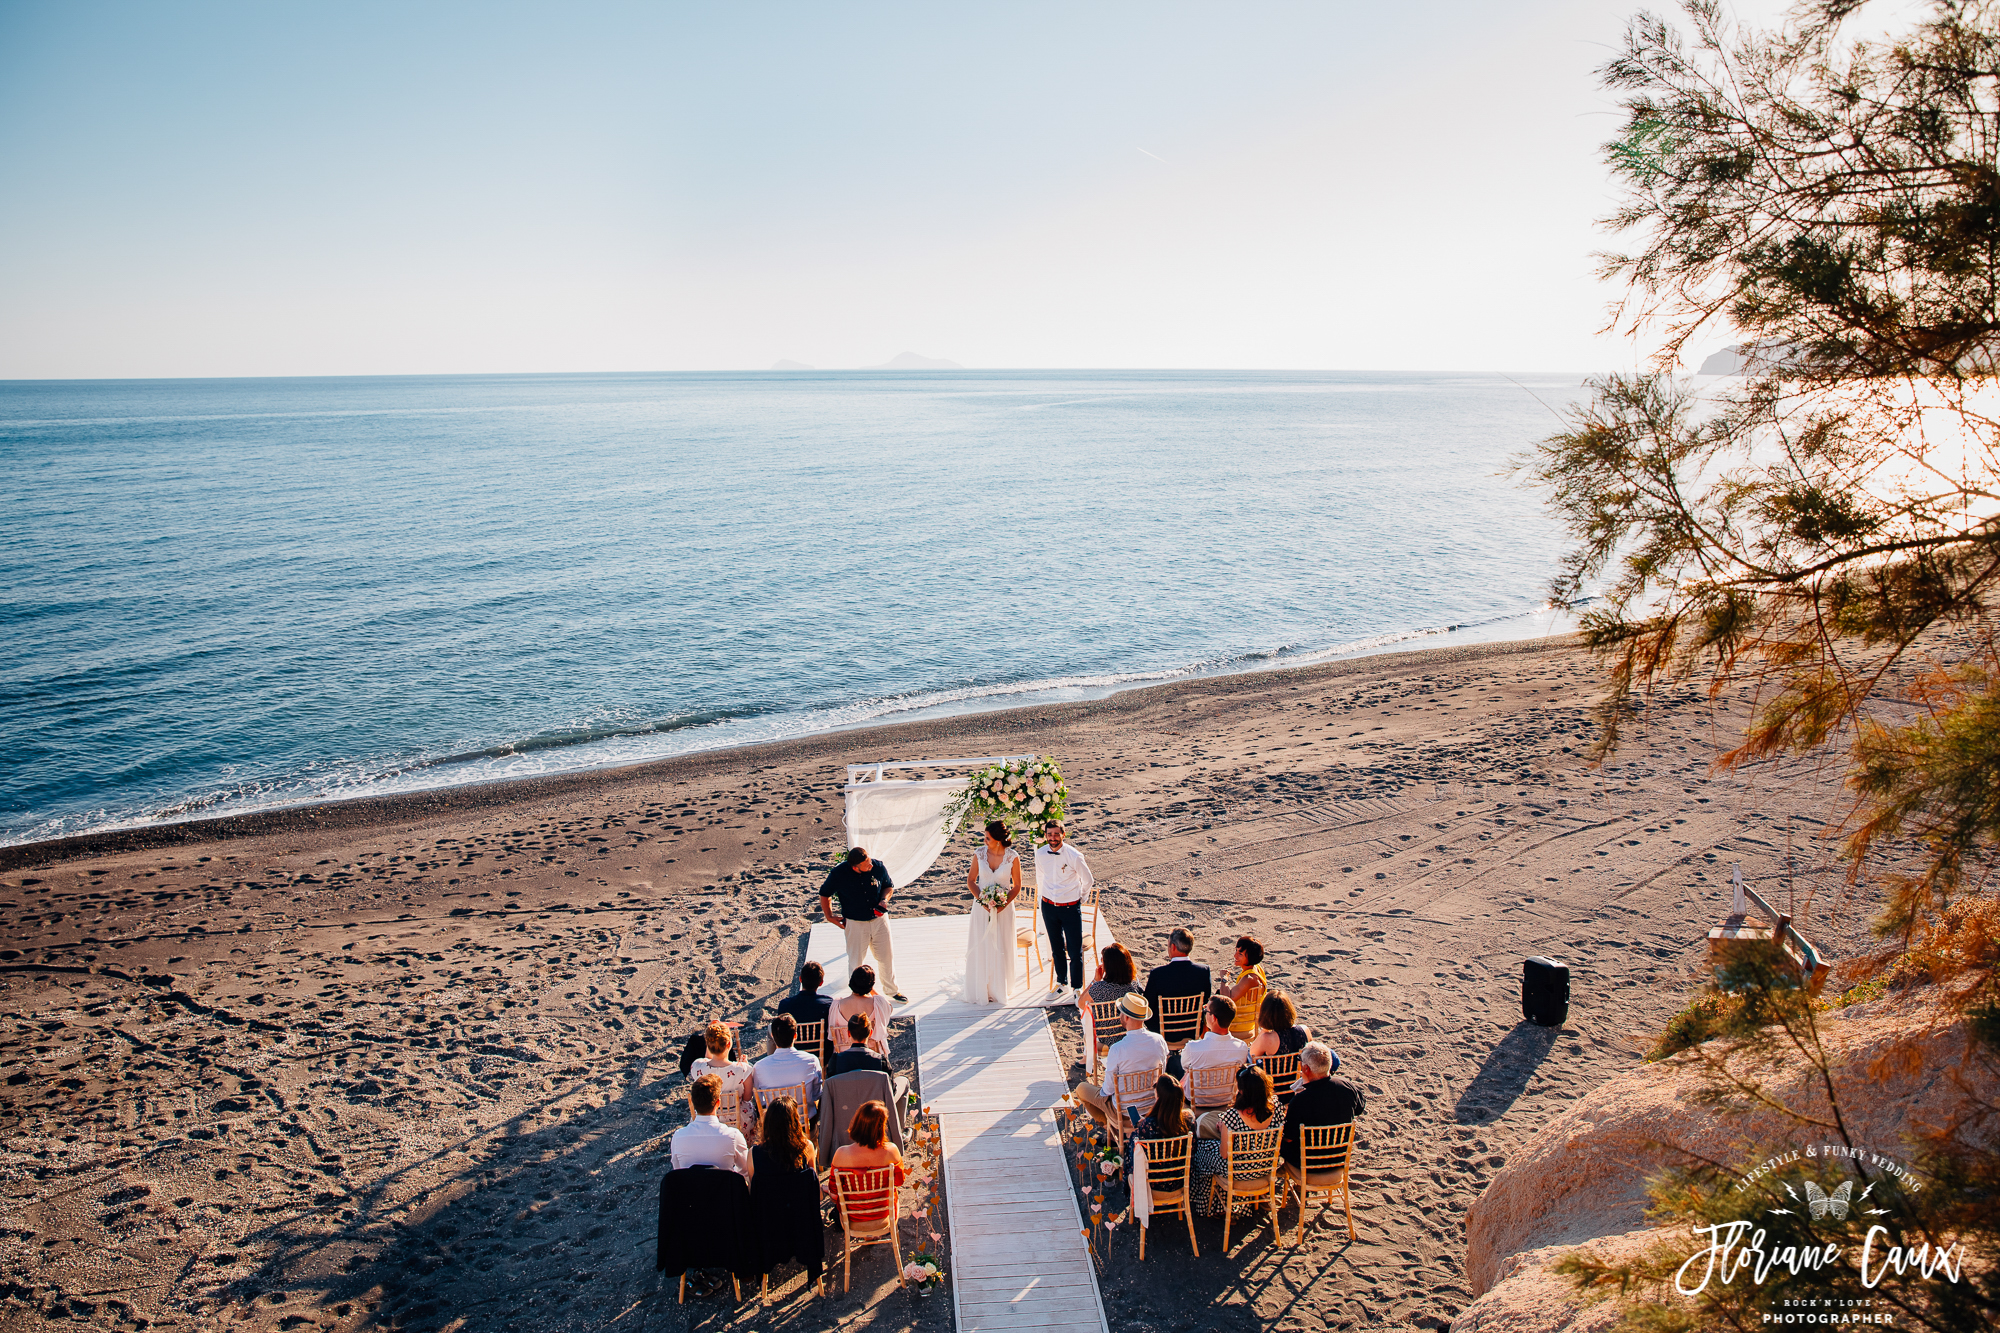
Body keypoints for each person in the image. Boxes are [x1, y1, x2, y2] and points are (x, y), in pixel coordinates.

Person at [749, 1096, 823, 1296]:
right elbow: (813, 1188)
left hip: (770, 1224)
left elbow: (754, 1191)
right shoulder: (806, 1147)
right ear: (794, 1122)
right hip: (800, 1224)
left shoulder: (754, 1153)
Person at [820, 847, 906, 1004]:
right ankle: (857, 995)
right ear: (855, 867)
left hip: (879, 920)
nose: (871, 865)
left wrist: (884, 900)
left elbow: (888, 886)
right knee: (855, 960)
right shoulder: (839, 874)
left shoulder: (878, 866)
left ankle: (892, 990)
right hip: (855, 923)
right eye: (867, 864)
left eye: (870, 861)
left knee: (886, 956)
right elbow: (825, 893)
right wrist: (829, 916)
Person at [1193, 1066, 1278, 1215]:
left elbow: (1224, 1154)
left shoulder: (1233, 1116)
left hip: (1238, 1172)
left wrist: (1223, 1130)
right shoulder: (1276, 1108)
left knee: (1201, 1148)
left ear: (1243, 1091)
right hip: (1265, 1167)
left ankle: (1214, 1205)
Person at [1075, 992, 1169, 1126]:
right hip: (1151, 1107)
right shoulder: (1159, 1041)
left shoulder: (1118, 1048)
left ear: (1125, 1017)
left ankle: (1109, 1125)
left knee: (1081, 1089)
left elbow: (1107, 1090)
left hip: (1124, 1111)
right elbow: (1162, 1074)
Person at [1032, 820, 1093, 1004]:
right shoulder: (1041, 853)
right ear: (1045, 836)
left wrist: (1080, 899)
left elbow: (1088, 880)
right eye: (1049, 834)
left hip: (1070, 907)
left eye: (1056, 834)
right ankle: (1061, 983)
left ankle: (1076, 988)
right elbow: (1042, 876)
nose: (1052, 838)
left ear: (1063, 835)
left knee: (1075, 950)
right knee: (1056, 948)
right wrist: (1043, 899)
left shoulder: (1074, 855)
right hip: (1049, 906)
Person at [1279, 1041, 1364, 1169]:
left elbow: (1288, 1138)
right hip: (1339, 1159)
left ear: (1306, 1068)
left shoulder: (1300, 1100)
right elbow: (1359, 1108)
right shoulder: (1347, 1087)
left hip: (1307, 1164)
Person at [963, 820, 1021, 1005]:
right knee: (982, 943)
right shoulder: (979, 854)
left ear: (997, 840)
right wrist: (983, 900)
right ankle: (982, 986)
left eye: (987, 838)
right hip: (981, 908)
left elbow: (1017, 886)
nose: (984, 840)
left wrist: (1003, 904)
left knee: (1001, 944)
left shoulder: (1013, 857)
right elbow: (971, 881)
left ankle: (998, 987)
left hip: (1004, 910)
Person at [827, 1101, 907, 1228]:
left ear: (858, 1123)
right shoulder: (891, 1151)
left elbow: (834, 1190)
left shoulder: (841, 1154)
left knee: (833, 1194)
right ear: (882, 1127)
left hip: (852, 1218)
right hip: (883, 1216)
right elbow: (899, 1181)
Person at [1143, 928, 1213, 1070]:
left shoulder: (1158, 974)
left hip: (1164, 1032)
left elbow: (1147, 1007)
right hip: (1192, 1031)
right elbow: (1206, 999)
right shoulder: (1203, 972)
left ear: (1173, 947)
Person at [1181, 997, 1249, 1123]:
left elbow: (1184, 1066)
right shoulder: (1241, 1048)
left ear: (1213, 1018)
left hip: (1197, 1103)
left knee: (1177, 1067)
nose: (1205, 1013)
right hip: (1226, 1102)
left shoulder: (1193, 1048)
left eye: (1206, 1011)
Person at [671, 1073, 752, 1179]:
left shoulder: (678, 1137)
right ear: (718, 1103)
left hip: (691, 1193)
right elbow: (745, 1172)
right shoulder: (733, 1136)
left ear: (692, 1102)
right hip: (723, 1192)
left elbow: (678, 1172)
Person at [687, 1021, 757, 1136]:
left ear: (708, 1045)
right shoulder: (742, 1069)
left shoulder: (697, 1066)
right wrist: (743, 1065)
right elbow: (747, 1097)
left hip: (707, 1122)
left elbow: (706, 1060)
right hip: (739, 1124)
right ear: (729, 1044)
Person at [751, 1013, 823, 1119]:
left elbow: (760, 1101)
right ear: (795, 1036)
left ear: (772, 1036)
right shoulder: (811, 1061)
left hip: (774, 1128)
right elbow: (817, 1094)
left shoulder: (760, 1067)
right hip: (805, 1124)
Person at [1083, 942, 1143, 1054]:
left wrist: (1095, 980)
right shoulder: (1134, 985)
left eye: (1102, 961)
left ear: (1108, 966)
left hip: (1107, 1040)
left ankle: (1087, 1059)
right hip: (1131, 1036)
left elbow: (1081, 1003)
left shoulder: (1099, 988)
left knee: (1086, 1015)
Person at [776, 962, 834, 1066]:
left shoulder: (785, 1005)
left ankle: (775, 1063)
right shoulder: (828, 1004)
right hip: (821, 1057)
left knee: (772, 1028)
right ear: (821, 983)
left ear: (800, 979)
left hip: (793, 1055)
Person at [830, 965, 894, 1057]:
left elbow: (832, 1035)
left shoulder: (837, 1004)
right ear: (871, 985)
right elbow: (889, 1008)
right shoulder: (877, 1003)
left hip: (844, 1055)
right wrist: (871, 990)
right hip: (871, 1054)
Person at [1246, 991, 1313, 1061]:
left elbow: (1251, 1055)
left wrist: (1264, 1030)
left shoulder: (1267, 1038)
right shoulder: (1305, 1030)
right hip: (1299, 1071)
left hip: (1270, 1072)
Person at [1223, 936, 1268, 1041]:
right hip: (1247, 1022)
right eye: (1236, 951)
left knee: (1206, 1018)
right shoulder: (1257, 969)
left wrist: (1224, 979)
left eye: (1240, 954)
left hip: (1238, 1025)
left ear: (1251, 957)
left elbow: (1227, 999)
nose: (1235, 956)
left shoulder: (1249, 979)